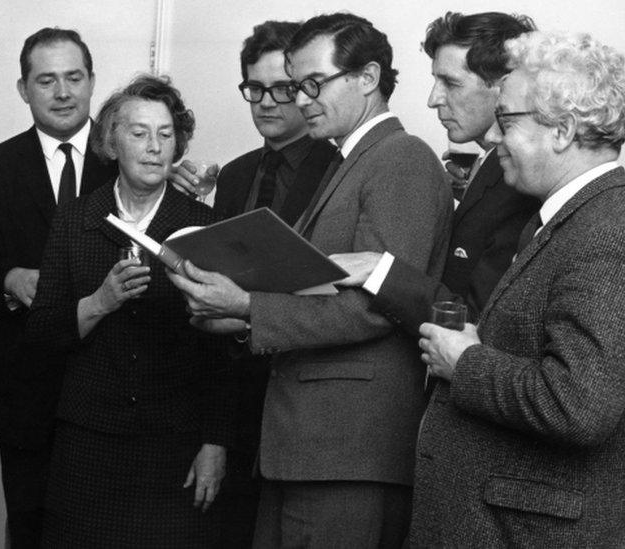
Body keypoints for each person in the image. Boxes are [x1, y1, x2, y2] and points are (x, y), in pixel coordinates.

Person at [168, 13, 451, 547]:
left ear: (367, 78)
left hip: (347, 449)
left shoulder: (401, 159)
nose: (300, 100)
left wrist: (248, 306)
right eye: (299, 86)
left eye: (313, 84)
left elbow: (377, 304)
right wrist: (235, 314)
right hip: (310, 445)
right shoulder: (353, 160)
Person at [413, 31, 625, 547]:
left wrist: (464, 363)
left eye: (506, 121)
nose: (491, 138)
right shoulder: (573, 219)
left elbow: (579, 403)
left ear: (563, 130)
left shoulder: (605, 230)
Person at [25, 74, 233, 548]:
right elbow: (41, 335)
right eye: (139, 133)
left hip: (172, 448)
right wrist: (100, 302)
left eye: (165, 134)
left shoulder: (203, 226)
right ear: (111, 141)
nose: (154, 146)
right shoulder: (77, 220)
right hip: (88, 447)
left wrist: (215, 444)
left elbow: (223, 356)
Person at [0, 27, 117, 548]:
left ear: (93, 82)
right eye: (46, 80)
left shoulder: (129, 159)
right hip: (25, 383)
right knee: (30, 527)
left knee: (105, 527)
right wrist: (7, 277)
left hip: (112, 378)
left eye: (74, 77)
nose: (62, 92)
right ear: (23, 88)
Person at [194, 20, 340, 548]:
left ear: (305, 89)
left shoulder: (339, 170)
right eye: (254, 89)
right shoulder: (233, 177)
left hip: (305, 400)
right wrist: (214, 435)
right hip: (234, 400)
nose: (266, 102)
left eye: (282, 88)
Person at [330, 12, 539, 333]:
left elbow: (482, 320)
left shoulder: (522, 179)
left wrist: (380, 269)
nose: (433, 99)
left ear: (504, 85)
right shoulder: (489, 167)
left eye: (451, 83)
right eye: (435, 81)